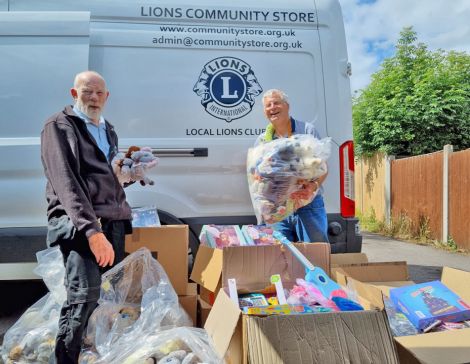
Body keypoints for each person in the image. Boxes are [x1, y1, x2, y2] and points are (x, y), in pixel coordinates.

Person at [40, 70, 132, 363]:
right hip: (82, 225)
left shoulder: (108, 129)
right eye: (86, 92)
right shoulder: (59, 126)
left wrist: (129, 175)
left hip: (112, 220)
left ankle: (90, 355)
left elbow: (108, 177)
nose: (93, 98)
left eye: (99, 93)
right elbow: (67, 182)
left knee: (105, 300)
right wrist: (93, 233)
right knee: (83, 298)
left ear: (107, 97)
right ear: (74, 93)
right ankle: (66, 358)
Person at [255, 89, 329, 243]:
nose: (272, 107)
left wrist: (313, 186)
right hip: (277, 209)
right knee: (279, 257)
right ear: (264, 112)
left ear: (287, 106)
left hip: (307, 204)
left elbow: (322, 167)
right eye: (268, 105)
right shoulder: (262, 141)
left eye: (276, 103)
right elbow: (256, 174)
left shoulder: (307, 130)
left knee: (314, 254)